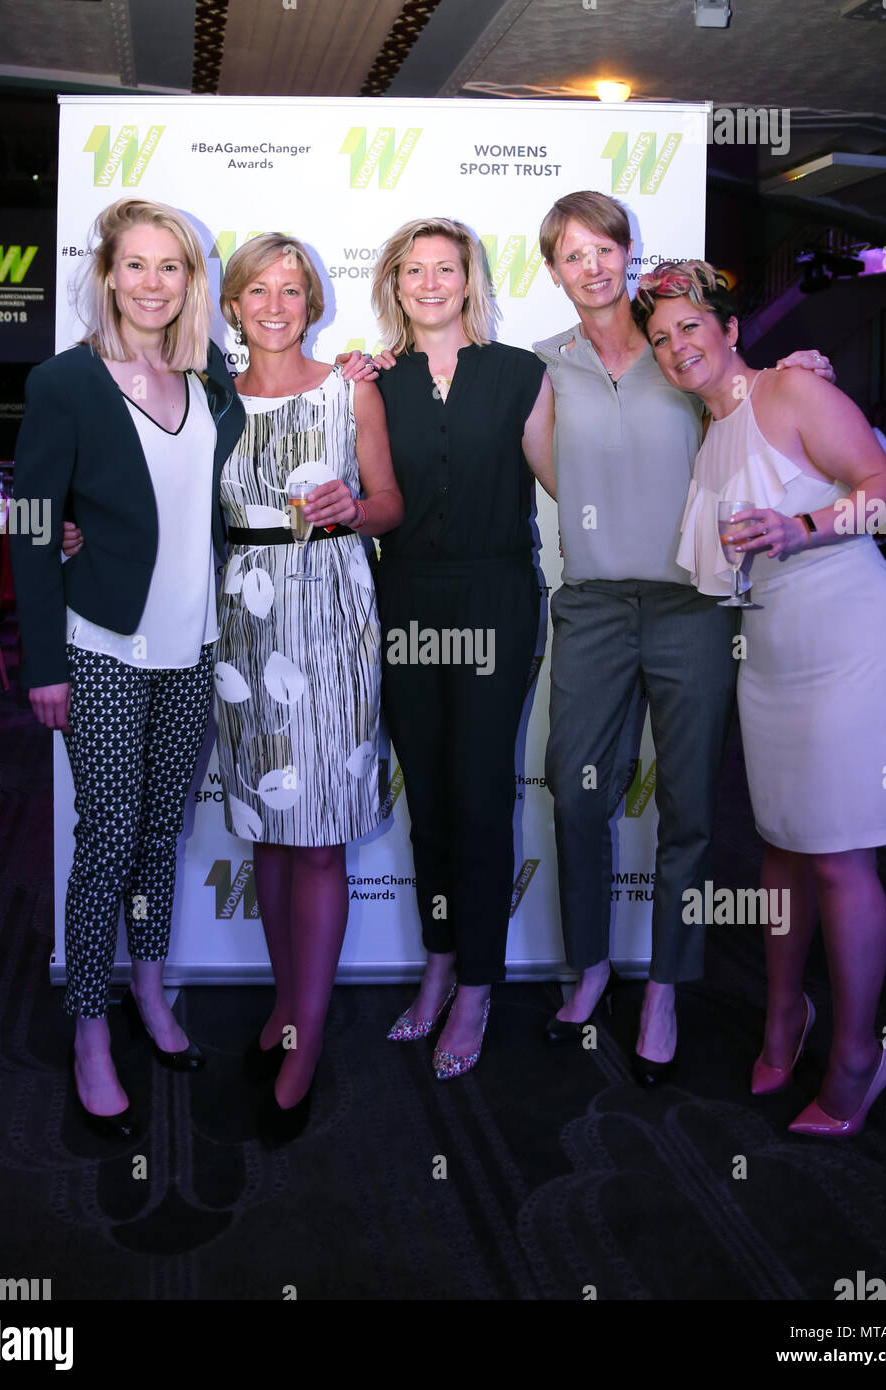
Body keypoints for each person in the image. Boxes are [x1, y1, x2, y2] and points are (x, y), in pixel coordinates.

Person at [534, 190, 833, 1084]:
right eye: (569, 255)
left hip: (690, 606)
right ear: (551, 270)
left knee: (691, 810)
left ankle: (665, 982)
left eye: (602, 249)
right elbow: (533, 463)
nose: (589, 268)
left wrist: (794, 368)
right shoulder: (540, 366)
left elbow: (740, 397)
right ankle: (589, 968)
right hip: (589, 604)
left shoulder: (676, 351)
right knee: (578, 797)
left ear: (628, 254)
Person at [635, 259, 886, 1135]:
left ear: (726, 327)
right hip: (769, 648)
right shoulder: (711, 431)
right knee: (782, 848)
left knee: (838, 854)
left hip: (849, 633)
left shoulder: (790, 390)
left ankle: (860, 1057)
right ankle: (783, 1018)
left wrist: (800, 527)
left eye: (690, 327)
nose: (677, 346)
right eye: (660, 338)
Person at [11, 197, 248, 1140]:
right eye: (137, 265)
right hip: (102, 645)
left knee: (160, 834)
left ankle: (150, 991)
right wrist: (42, 665)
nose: (154, 283)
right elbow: (36, 526)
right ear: (107, 273)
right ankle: (89, 1028)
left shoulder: (210, 375)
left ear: (192, 282)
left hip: (192, 648)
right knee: (107, 836)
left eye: (173, 267)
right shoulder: (65, 382)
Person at [218, 234, 403, 1138]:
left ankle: (309, 1035)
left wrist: (351, 509)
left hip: (331, 609)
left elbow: (390, 504)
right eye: (260, 288)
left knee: (320, 833)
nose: (277, 304)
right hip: (241, 627)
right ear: (233, 302)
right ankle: (285, 1000)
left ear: (315, 301)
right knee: (267, 828)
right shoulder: (209, 394)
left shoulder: (350, 384)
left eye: (293, 289)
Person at [369, 217, 555, 1079]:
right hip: (402, 599)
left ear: (470, 280)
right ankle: (438, 959)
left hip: (494, 600)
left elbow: (572, 477)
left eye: (447, 269)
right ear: (394, 284)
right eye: (416, 271)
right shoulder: (371, 381)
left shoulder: (521, 373)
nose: (431, 283)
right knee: (431, 801)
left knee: (481, 797)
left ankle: (477, 982)